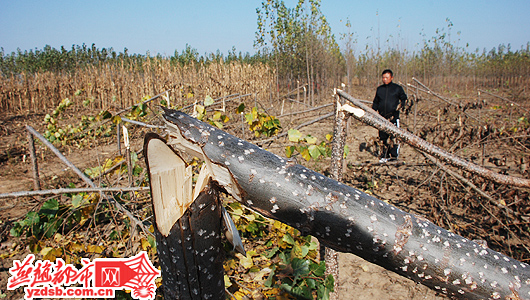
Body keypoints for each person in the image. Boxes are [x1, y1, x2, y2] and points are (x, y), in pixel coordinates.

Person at [372, 69, 407, 163]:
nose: (385, 79)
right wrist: (372, 112)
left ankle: (394, 156)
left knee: (394, 137)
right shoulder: (380, 89)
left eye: (387, 77)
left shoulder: (397, 88)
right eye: (383, 77)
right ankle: (384, 156)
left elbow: (404, 98)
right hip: (381, 117)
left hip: (393, 117)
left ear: (391, 77)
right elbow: (376, 102)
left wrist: (402, 106)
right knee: (383, 137)